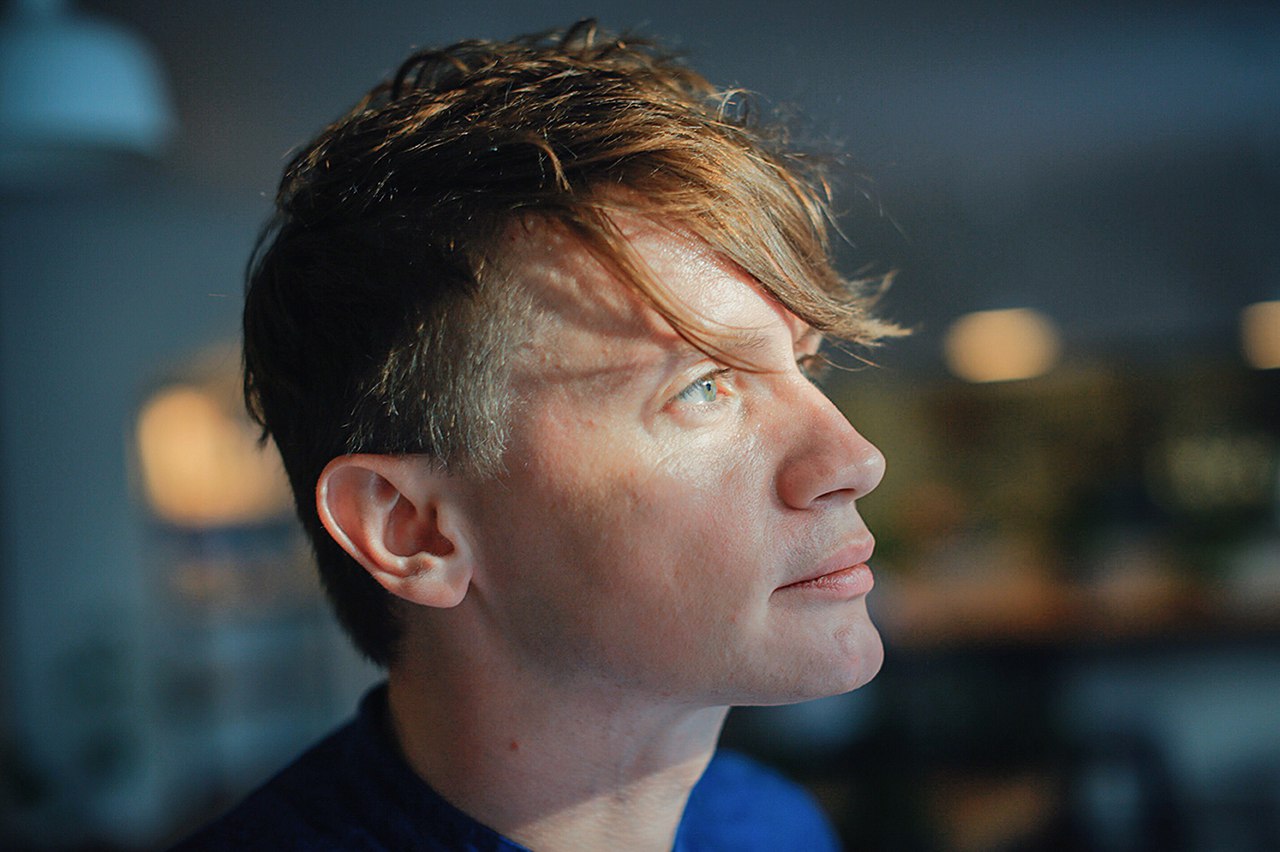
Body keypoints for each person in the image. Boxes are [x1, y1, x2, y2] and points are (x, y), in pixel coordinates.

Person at [176, 18, 900, 851]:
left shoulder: (776, 828)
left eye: (804, 363)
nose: (854, 460)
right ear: (413, 528)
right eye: (702, 386)